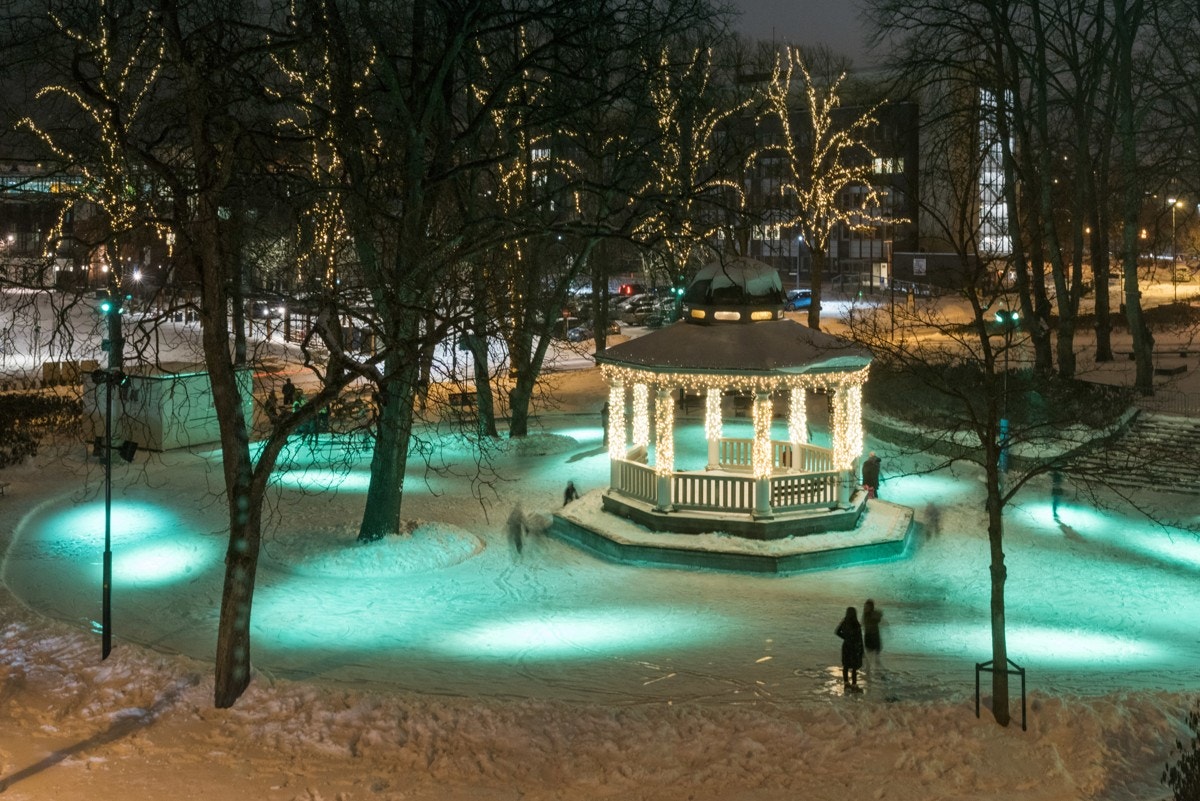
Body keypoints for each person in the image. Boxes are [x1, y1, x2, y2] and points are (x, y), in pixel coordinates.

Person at [835, 606, 864, 688]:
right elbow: (859, 637)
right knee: (854, 667)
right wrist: (861, 649)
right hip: (854, 646)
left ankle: (846, 682)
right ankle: (854, 683)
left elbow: (837, 632)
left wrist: (845, 637)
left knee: (846, 665)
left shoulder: (844, 622)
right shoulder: (856, 624)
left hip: (846, 645)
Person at [862, 599, 885, 679]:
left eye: (867, 606)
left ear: (871, 607)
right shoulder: (866, 615)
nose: (865, 608)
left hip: (874, 636)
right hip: (869, 636)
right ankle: (870, 673)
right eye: (865, 606)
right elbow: (864, 624)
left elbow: (880, 615)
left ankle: (875, 673)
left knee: (875, 657)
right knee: (870, 656)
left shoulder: (872, 615)